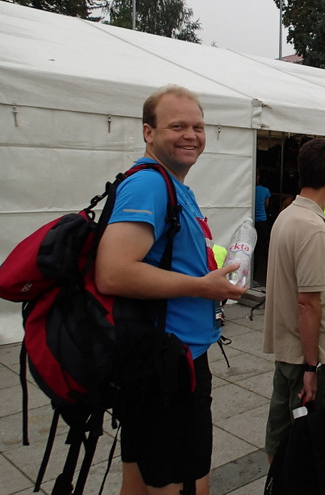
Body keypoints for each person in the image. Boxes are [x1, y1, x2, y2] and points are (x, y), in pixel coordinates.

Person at [95, 85, 247, 495]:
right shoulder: (149, 185)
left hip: (163, 358)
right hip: (168, 363)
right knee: (183, 483)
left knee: (142, 475)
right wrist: (200, 287)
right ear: (148, 132)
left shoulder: (172, 184)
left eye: (198, 126)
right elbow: (111, 272)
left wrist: (209, 277)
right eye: (177, 126)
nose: (191, 135)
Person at [263, 138, 325, 465]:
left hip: (288, 351)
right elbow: (308, 304)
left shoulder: (288, 215)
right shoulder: (312, 228)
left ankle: (279, 484)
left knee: (281, 432)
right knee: (313, 440)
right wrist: (312, 367)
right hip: (311, 357)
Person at [253, 168, 271, 286]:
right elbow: (266, 206)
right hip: (262, 221)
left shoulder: (249, 190)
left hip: (251, 221)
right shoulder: (265, 191)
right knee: (259, 249)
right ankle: (254, 276)